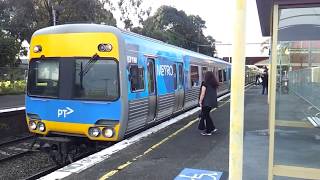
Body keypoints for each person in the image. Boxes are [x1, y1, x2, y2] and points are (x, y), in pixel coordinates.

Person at [198, 71, 219, 136]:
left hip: (206, 103)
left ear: (206, 76)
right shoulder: (214, 83)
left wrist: (200, 101)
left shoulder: (205, 83)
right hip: (212, 102)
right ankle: (212, 128)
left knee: (206, 116)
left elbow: (203, 93)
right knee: (207, 115)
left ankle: (208, 131)